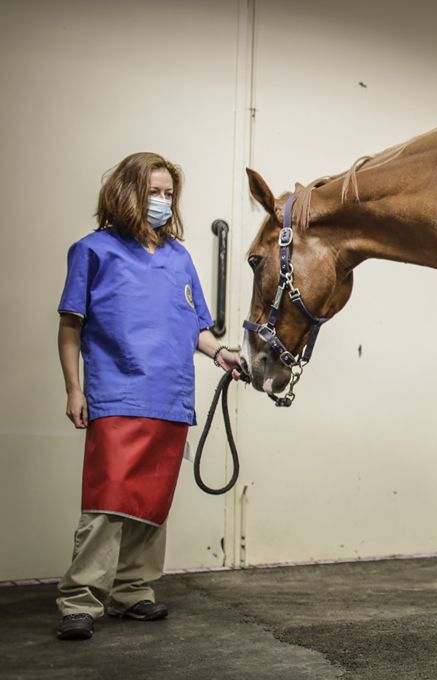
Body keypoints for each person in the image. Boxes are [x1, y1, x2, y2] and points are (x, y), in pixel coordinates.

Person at [54, 152, 240, 641]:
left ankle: (133, 592)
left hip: (169, 394)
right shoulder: (92, 251)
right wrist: (75, 388)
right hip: (116, 392)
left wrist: (220, 353)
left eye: (168, 193)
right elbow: (71, 326)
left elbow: (194, 325)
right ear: (125, 194)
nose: (162, 201)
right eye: (152, 192)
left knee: (151, 500)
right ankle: (80, 601)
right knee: (107, 501)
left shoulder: (179, 256)